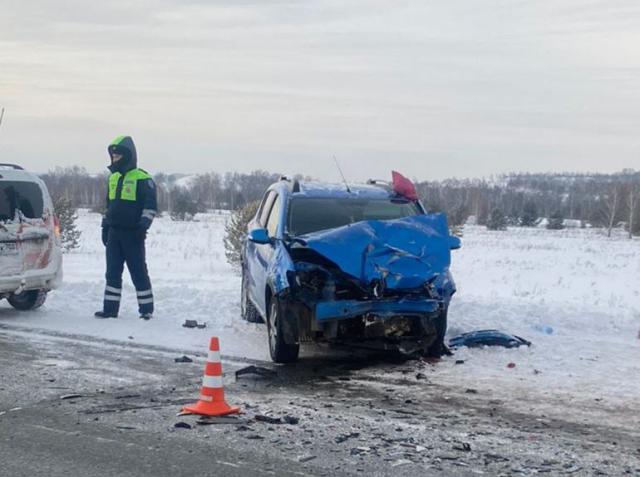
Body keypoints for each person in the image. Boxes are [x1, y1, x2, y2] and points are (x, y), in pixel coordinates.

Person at [95, 135, 157, 320]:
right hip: (114, 233)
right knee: (112, 273)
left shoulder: (143, 178)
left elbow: (150, 207)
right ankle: (110, 310)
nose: (115, 159)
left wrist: (142, 228)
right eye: (113, 156)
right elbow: (109, 206)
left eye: (118, 156)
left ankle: (146, 310)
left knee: (138, 272)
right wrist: (105, 227)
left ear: (128, 155)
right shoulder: (112, 178)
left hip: (133, 235)